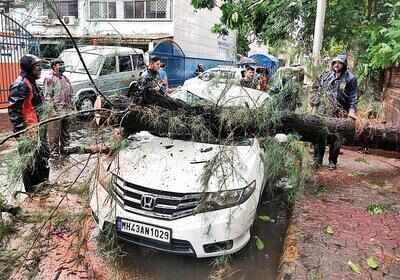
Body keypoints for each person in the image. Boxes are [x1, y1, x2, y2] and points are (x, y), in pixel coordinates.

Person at [8, 54, 50, 192]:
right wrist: (24, 132)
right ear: (28, 68)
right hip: (29, 132)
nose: (40, 69)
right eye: (37, 66)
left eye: (40, 66)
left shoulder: (33, 82)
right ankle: (32, 191)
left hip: (39, 129)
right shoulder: (20, 84)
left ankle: (43, 186)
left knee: (42, 157)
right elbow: (14, 112)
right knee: (29, 163)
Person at [310, 54, 358, 170]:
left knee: (336, 137)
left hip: (340, 111)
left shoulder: (350, 78)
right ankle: (317, 159)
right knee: (320, 134)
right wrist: (314, 102)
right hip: (324, 110)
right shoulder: (325, 76)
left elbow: (353, 96)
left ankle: (332, 161)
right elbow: (316, 89)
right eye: (335, 62)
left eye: (340, 63)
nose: (337, 65)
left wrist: (352, 110)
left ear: (344, 65)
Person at [44, 58, 73, 156]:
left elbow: (70, 94)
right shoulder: (49, 79)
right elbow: (47, 97)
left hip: (66, 110)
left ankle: (65, 151)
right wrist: (52, 111)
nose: (62, 66)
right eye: (59, 64)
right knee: (54, 135)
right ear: (54, 67)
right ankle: (54, 155)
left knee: (66, 133)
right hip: (55, 111)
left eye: (63, 64)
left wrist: (72, 108)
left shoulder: (65, 78)